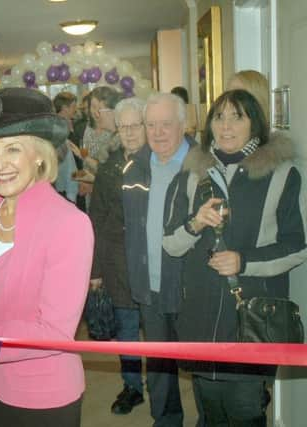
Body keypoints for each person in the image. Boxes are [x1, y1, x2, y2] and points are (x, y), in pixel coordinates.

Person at [0, 87, 94, 427]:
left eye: (13, 148)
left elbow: (54, 331)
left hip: (43, 395)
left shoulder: (69, 223)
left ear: (40, 155)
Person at [163, 89, 307, 426]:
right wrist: (195, 222)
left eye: (237, 117)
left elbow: (297, 246)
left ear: (254, 124)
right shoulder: (191, 174)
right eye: (219, 117)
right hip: (200, 319)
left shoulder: (283, 175)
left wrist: (244, 261)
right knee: (210, 412)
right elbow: (170, 244)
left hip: (251, 322)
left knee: (245, 412)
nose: (225, 126)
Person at [122, 92, 194, 427]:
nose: (158, 132)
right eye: (151, 124)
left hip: (190, 287)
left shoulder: (202, 165)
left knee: (204, 363)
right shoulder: (134, 167)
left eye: (166, 124)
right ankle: (166, 420)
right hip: (149, 284)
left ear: (183, 125)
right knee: (160, 365)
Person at [89, 97, 147, 415]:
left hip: (153, 265)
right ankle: (132, 386)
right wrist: (95, 269)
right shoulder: (109, 168)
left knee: (158, 333)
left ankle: (164, 390)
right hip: (118, 262)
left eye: (135, 125)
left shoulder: (160, 165)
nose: (129, 132)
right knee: (127, 330)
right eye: (123, 126)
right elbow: (95, 220)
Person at [52, 91, 80, 202]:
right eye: (73, 106)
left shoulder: (72, 124)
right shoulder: (57, 129)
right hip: (64, 184)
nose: (76, 110)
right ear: (64, 108)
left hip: (76, 178)